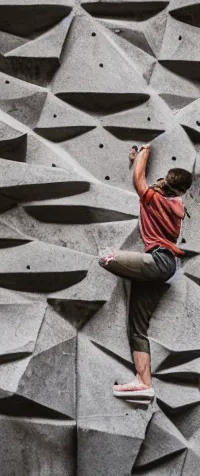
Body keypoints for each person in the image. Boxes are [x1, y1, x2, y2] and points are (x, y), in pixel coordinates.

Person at [98, 144, 193, 399]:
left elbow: (139, 180)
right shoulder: (176, 205)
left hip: (159, 261)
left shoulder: (155, 200)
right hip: (162, 268)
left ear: (165, 184)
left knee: (106, 258)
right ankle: (144, 382)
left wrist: (144, 152)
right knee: (137, 328)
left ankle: (143, 380)